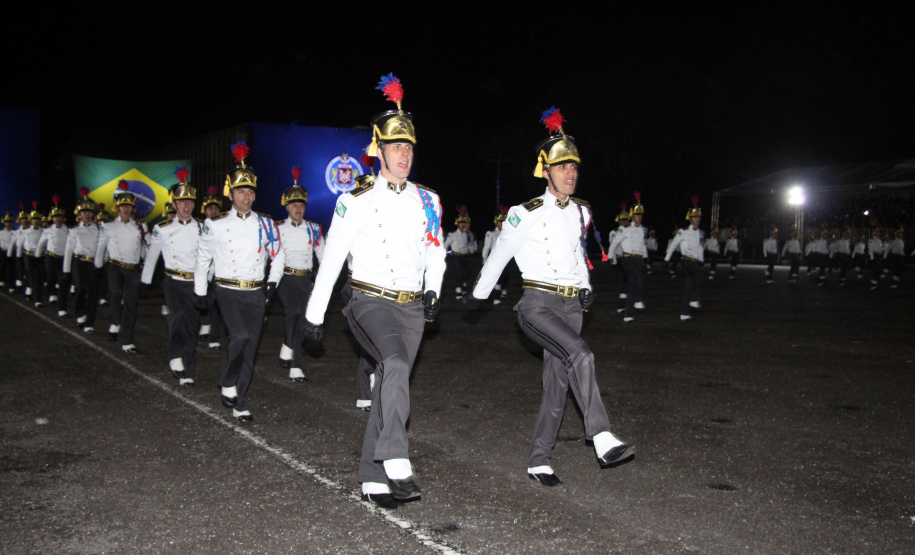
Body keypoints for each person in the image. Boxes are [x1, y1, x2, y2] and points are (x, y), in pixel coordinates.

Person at [303, 74, 446, 509]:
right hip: (367, 301)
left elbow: (435, 251)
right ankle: (396, 459)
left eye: (409, 147)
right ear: (378, 150)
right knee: (396, 365)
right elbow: (331, 259)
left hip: (410, 307)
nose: (405, 154)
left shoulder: (429, 201)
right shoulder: (355, 199)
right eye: (396, 147)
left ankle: (370, 475)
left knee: (390, 379)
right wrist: (313, 315)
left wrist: (434, 289)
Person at [471, 106, 634, 487]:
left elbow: (578, 253)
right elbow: (498, 256)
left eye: (574, 168)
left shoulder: (581, 211)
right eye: (563, 168)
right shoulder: (523, 212)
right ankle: (602, 436)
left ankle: (538, 460)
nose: (571, 174)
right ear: (546, 172)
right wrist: (477, 296)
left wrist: (586, 289)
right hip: (537, 306)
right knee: (582, 354)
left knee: (557, 385)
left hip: (571, 306)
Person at [195, 143, 284, 423]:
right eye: (240, 192)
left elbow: (279, 254)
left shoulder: (267, 224)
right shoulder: (216, 223)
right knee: (240, 337)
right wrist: (200, 290)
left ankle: (241, 400)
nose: (245, 196)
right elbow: (203, 257)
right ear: (230, 194)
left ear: (254, 195)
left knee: (251, 346)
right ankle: (227, 379)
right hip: (227, 290)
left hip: (256, 291)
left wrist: (272, 281)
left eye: (249, 192)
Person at [142, 169, 202, 386]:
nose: (186, 206)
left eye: (189, 202)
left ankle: (189, 371)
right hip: (173, 282)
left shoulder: (203, 228)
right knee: (177, 317)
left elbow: (209, 259)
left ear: (194, 204)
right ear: (174, 205)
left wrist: (208, 282)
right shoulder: (162, 228)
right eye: (181, 202)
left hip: (195, 283)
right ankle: (174, 355)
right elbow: (152, 256)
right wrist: (145, 281)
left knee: (192, 326)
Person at [275, 166, 325, 382]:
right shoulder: (277, 228)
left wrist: (322, 280)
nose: (298, 208)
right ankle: (294, 358)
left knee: (302, 318)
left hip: (305, 279)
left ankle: (293, 355)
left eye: (301, 204)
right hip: (285, 278)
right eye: (294, 204)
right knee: (293, 312)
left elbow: (323, 256)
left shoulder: (313, 229)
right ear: (287, 206)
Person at [95, 181, 147, 353]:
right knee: (116, 294)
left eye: (129, 207)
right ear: (117, 208)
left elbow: (144, 248)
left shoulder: (140, 227)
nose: (126, 209)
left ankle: (127, 341)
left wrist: (146, 267)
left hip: (132, 268)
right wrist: (98, 264)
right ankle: (115, 322)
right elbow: (101, 247)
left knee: (132, 304)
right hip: (114, 267)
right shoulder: (108, 226)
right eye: (123, 206)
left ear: (133, 209)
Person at [64, 189, 101, 333]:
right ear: (79, 214)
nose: (87, 214)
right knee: (80, 289)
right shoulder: (74, 231)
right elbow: (68, 250)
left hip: (93, 264)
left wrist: (101, 264)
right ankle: (80, 314)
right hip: (79, 263)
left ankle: (90, 323)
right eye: (84, 211)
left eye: (89, 211)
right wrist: (66, 270)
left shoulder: (99, 229)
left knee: (93, 293)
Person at [608, 193, 648, 322]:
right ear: (632, 216)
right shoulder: (624, 229)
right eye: (637, 214)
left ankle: (628, 314)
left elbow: (642, 244)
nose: (639, 217)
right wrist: (610, 257)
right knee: (638, 278)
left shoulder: (642, 229)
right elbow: (614, 243)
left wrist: (646, 257)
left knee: (633, 284)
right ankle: (638, 300)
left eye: (641, 215)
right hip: (627, 258)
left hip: (637, 258)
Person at [665, 197, 705, 321]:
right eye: (695, 217)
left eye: (699, 217)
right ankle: (694, 300)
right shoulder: (683, 231)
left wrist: (701, 259)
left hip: (694, 261)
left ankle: (684, 313)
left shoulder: (700, 233)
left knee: (688, 287)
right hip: (686, 260)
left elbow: (699, 247)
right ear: (691, 218)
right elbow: (673, 244)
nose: (698, 219)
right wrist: (667, 259)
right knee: (698, 277)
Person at [197, 187, 225, 349]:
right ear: (205, 211)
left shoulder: (224, 226)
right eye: (210, 208)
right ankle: (204, 324)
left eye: (215, 207)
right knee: (204, 301)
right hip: (204, 271)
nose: (213, 210)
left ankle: (214, 337)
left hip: (220, 271)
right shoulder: (199, 227)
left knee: (217, 304)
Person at [35, 195, 70, 316]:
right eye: (55, 217)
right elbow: (41, 243)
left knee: (63, 283)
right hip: (51, 257)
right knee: (50, 278)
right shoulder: (48, 230)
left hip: (64, 259)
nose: (58, 219)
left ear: (63, 218)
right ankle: (52, 293)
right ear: (52, 218)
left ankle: (62, 308)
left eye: (60, 216)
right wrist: (37, 256)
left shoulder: (68, 230)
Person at [443, 206, 477, 300]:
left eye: (464, 222)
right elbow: (446, 246)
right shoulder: (452, 234)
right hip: (456, 256)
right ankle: (459, 289)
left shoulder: (468, 234)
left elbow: (471, 245)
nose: (462, 224)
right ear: (457, 223)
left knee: (466, 272)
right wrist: (444, 256)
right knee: (459, 272)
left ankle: (463, 286)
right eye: (461, 223)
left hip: (466, 256)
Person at [481, 206, 509, 305]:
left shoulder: (508, 233)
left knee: (504, 277)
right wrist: (484, 261)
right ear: (496, 222)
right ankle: (496, 298)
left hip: (506, 259)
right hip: (495, 260)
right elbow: (486, 248)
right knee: (497, 278)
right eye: (500, 221)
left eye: (504, 221)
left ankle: (500, 291)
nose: (502, 223)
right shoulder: (491, 233)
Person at [1, 207, 16, 289]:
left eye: (9, 222)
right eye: (6, 222)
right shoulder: (1, 233)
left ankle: (11, 285)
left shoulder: (14, 232)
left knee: (11, 269)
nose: (8, 224)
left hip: (12, 252)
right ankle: (2, 280)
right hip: (2, 251)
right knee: (2, 267)